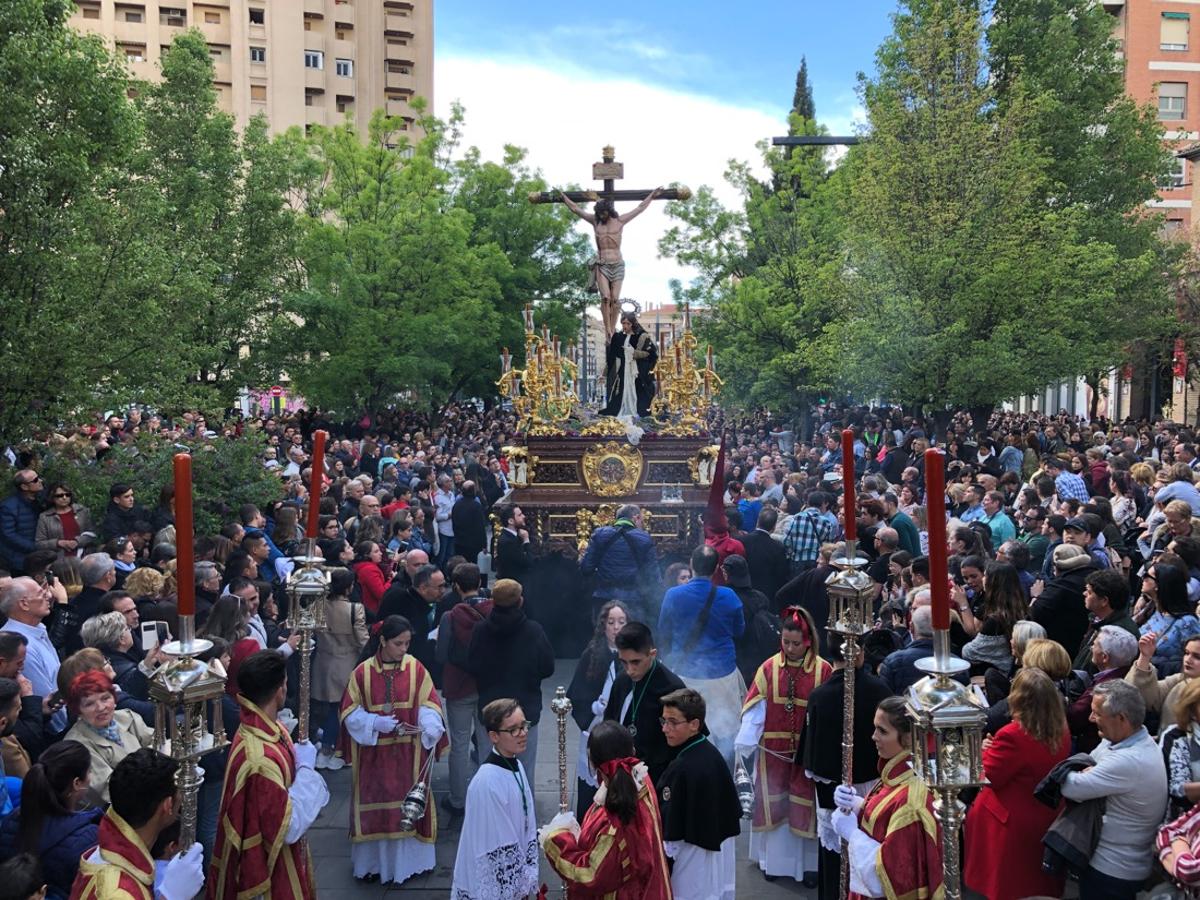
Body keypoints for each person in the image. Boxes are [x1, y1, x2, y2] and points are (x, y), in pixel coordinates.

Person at [209, 650, 329, 899]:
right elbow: (288, 827)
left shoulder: (264, 726)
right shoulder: (260, 758)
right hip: (271, 866)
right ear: (280, 690)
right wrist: (306, 771)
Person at [338, 615, 447, 885]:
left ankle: (409, 864)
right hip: (373, 756)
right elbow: (349, 712)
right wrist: (374, 722)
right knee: (378, 805)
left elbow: (429, 702)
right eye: (398, 643)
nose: (404, 649)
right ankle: (373, 864)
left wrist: (431, 723)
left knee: (407, 804)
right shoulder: (362, 672)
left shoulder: (416, 668)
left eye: (407, 643)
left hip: (409, 754)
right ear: (383, 641)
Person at [735, 606, 829, 886]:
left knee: (804, 808)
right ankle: (773, 864)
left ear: (808, 640)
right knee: (774, 809)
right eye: (785, 642)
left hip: (806, 756)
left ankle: (808, 869)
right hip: (772, 757)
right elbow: (756, 711)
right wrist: (745, 742)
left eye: (795, 643)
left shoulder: (822, 670)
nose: (790, 648)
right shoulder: (768, 668)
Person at [963, 668, 1072, 900]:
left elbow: (988, 775)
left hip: (1008, 824)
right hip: (1045, 816)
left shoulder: (1013, 734)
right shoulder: (1060, 730)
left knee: (1008, 885)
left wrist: (985, 752)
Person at [540, 720, 673, 899]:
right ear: (632, 751)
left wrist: (556, 838)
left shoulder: (613, 822)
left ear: (594, 763)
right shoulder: (640, 779)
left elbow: (590, 874)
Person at [802, 636, 892, 899]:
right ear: (860, 653)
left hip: (833, 792)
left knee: (836, 865)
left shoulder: (819, 695)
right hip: (874, 791)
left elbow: (812, 761)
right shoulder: (881, 691)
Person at [1060, 680, 1168, 899]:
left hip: (1112, 873)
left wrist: (1081, 772)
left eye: (1097, 713)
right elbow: (1092, 758)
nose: (1091, 719)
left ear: (1121, 719)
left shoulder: (1130, 760)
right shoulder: (1128, 740)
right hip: (1115, 866)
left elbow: (1071, 787)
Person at [830, 697, 943, 900]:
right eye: (875, 729)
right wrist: (858, 805)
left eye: (882, 731)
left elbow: (888, 877)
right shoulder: (901, 772)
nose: (873, 736)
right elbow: (884, 819)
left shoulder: (912, 802)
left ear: (908, 738)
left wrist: (851, 834)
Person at [70, 749, 204, 900]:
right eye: (180, 794)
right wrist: (171, 896)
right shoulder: (118, 892)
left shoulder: (111, 847)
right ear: (168, 805)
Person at [656, 545, 745, 762]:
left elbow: (663, 633)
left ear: (692, 565)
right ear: (716, 568)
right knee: (723, 734)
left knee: (685, 729)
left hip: (685, 674)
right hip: (722, 674)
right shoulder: (729, 596)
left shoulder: (673, 595)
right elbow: (739, 631)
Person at [656, 688, 742, 900]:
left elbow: (671, 827)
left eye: (673, 722)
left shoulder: (683, 767)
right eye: (663, 721)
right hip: (717, 842)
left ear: (694, 724)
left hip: (693, 852)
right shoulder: (708, 750)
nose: (665, 729)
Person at [450, 698, 539, 900]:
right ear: (494, 736)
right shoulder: (487, 782)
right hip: (497, 883)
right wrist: (521, 880)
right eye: (513, 729)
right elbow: (496, 843)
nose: (523, 733)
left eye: (524, 726)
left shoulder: (515, 765)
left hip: (516, 874)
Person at [466, 579, 555, 780]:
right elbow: (547, 667)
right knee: (524, 770)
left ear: (493, 602)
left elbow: (472, 665)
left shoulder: (481, 630)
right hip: (525, 709)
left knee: (488, 768)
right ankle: (523, 811)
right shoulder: (533, 631)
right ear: (520, 601)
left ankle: (488, 810)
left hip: (491, 709)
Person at [0, 740, 101, 900]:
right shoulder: (88, 838)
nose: (90, 777)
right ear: (76, 783)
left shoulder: (11, 821)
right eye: (89, 772)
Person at [558, 187, 663, 336]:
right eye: (599, 213)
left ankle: (612, 328)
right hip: (602, 265)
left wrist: (652, 195)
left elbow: (639, 208)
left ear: (609, 211)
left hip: (618, 265)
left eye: (604, 213)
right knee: (605, 297)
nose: (602, 215)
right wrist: (563, 197)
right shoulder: (595, 222)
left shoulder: (620, 221)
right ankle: (607, 328)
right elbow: (576, 209)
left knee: (615, 299)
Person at [436, 562, 493, 815]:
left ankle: (458, 798)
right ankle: (487, 795)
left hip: (459, 685)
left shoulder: (450, 617)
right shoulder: (492, 612)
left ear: (456, 586)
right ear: (479, 584)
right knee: (486, 741)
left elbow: (441, 654)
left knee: (459, 743)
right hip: (486, 684)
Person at [566, 601, 628, 818]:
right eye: (611, 622)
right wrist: (593, 708)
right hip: (596, 730)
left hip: (622, 733)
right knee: (592, 787)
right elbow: (577, 694)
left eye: (621, 622)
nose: (616, 627)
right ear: (604, 625)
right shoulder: (592, 654)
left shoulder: (631, 656)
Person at [604, 622, 687, 785]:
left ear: (652, 654)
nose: (630, 670)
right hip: (621, 772)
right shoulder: (622, 681)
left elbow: (682, 742)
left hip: (656, 777)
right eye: (624, 662)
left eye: (636, 662)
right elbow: (610, 721)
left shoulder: (672, 688)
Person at [62, 671, 154, 806]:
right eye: (89, 704)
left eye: (105, 698)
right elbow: (111, 790)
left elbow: (160, 746)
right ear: (78, 710)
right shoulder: (76, 746)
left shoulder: (127, 716)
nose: (101, 707)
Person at [310, 567, 367, 769]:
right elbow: (362, 640)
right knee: (342, 709)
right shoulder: (355, 609)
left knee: (329, 708)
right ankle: (330, 748)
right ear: (349, 587)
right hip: (346, 663)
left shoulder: (318, 606)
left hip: (323, 662)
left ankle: (328, 745)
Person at [580, 505, 657, 623]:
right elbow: (652, 577)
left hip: (603, 599)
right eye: (642, 521)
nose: (643, 525)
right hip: (632, 601)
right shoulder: (645, 539)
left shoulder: (599, 534)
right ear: (635, 518)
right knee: (631, 638)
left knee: (604, 638)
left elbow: (586, 568)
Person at [740, 506, 789, 605]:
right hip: (767, 594)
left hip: (745, 590)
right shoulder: (778, 547)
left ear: (758, 522)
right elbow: (781, 574)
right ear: (774, 527)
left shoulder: (743, 541)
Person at [34, 484, 94, 560]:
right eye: (60, 495)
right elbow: (39, 543)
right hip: (58, 560)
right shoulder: (45, 517)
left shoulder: (82, 511)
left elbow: (92, 534)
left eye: (67, 495)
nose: (64, 498)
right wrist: (58, 543)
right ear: (52, 498)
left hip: (83, 557)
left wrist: (77, 542)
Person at [0, 471, 42, 575]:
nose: (40, 481)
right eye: (35, 480)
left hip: (37, 558)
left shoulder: (39, 501)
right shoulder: (8, 507)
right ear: (24, 486)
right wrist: (35, 547)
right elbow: (8, 535)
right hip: (18, 561)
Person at [450, 481, 487, 567]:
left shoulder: (456, 505)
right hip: (474, 545)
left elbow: (454, 524)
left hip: (460, 543)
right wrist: (484, 545)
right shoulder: (476, 506)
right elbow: (480, 527)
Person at [493, 505, 532, 586]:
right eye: (519, 515)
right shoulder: (508, 542)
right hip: (513, 587)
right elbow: (527, 562)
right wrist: (526, 540)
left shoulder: (515, 536)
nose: (523, 516)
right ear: (510, 521)